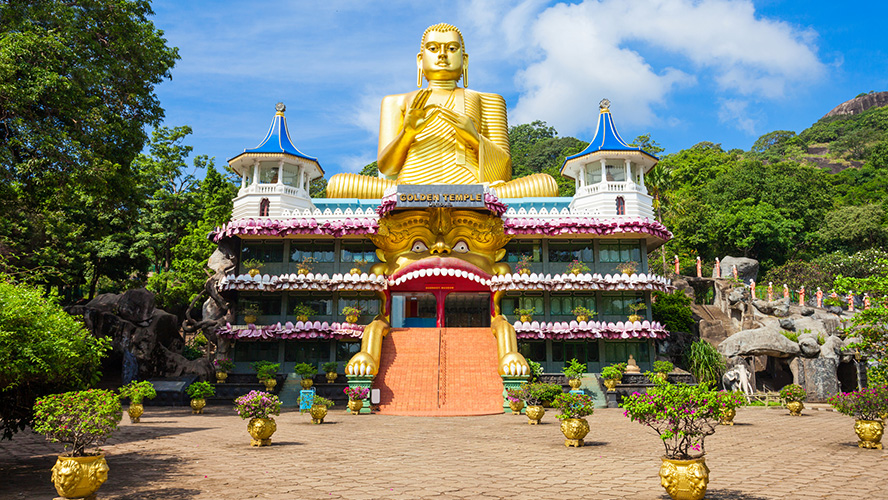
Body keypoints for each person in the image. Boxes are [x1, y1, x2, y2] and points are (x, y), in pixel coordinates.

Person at [327, 23, 557, 199]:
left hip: (474, 189)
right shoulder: (396, 102)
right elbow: (387, 167)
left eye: (452, 48)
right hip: (408, 188)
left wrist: (474, 137)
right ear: (420, 60)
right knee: (338, 184)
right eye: (433, 48)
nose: (442, 55)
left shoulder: (487, 100)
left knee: (545, 184)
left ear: (464, 61)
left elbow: (503, 173)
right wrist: (407, 132)